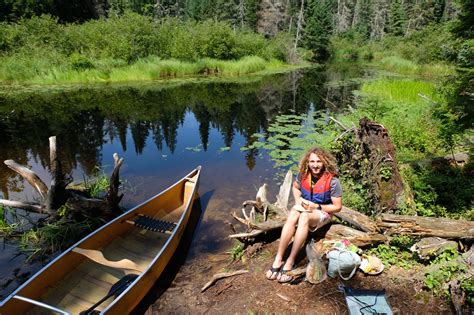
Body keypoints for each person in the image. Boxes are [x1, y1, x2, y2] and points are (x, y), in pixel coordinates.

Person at [266, 147, 342, 283]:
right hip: (307, 208)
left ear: (324, 162)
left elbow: (337, 207)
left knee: (304, 216)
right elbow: (295, 187)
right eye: (312, 161)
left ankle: (290, 261)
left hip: (323, 213)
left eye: (319, 161)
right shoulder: (303, 174)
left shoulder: (333, 181)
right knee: (294, 212)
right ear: (307, 162)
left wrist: (317, 206)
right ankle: (278, 258)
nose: (315, 165)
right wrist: (298, 200)